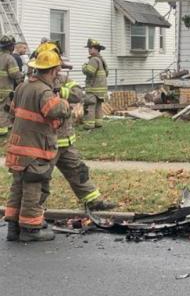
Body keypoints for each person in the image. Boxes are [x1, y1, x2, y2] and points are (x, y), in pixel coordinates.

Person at [36, 42, 118, 211]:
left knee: (79, 171)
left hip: (66, 141)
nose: (58, 69)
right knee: (40, 177)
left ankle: (94, 202)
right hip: (47, 142)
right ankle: (33, 210)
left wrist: (62, 91)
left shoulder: (63, 80)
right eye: (55, 66)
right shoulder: (35, 84)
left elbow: (79, 93)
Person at [4, 50, 71, 242]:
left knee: (18, 188)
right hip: (34, 150)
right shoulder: (44, 91)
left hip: (17, 149)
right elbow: (54, 110)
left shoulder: (22, 87)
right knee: (34, 188)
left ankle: (13, 227)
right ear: (51, 71)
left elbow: (13, 110)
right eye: (57, 70)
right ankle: (30, 229)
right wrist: (65, 103)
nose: (58, 74)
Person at [0, 35, 24, 137]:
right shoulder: (10, 58)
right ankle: (2, 130)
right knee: (4, 109)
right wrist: (22, 77)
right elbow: (15, 74)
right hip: (4, 90)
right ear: (11, 47)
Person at [82, 39, 108, 129]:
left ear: (97, 49)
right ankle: (98, 123)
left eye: (91, 48)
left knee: (90, 106)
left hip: (93, 89)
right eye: (88, 48)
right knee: (98, 106)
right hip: (101, 89)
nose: (89, 50)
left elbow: (90, 72)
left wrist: (84, 66)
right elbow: (106, 73)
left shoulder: (93, 60)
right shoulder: (102, 60)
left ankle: (89, 125)